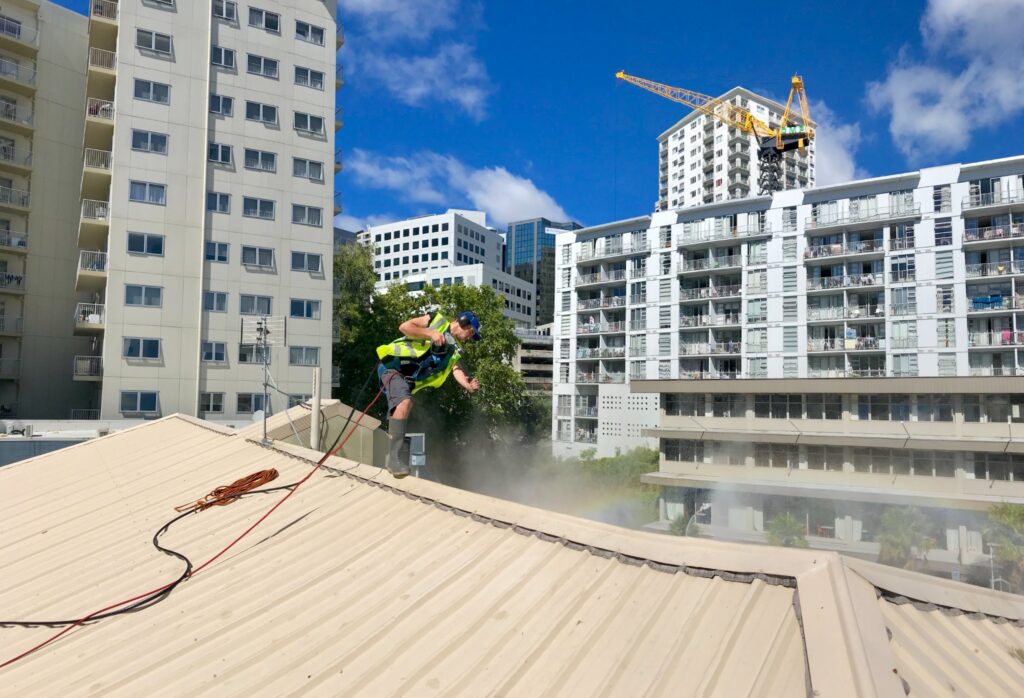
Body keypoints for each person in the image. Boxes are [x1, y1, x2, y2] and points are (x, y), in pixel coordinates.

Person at [375, 310, 481, 477]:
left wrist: (467, 386)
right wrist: (430, 333)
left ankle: (398, 458)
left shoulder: (453, 350)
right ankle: (394, 459)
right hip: (393, 367)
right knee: (405, 402)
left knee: (404, 404)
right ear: (463, 322)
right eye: (471, 333)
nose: (469, 338)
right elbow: (404, 327)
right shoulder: (436, 320)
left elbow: (456, 369)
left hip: (407, 380)